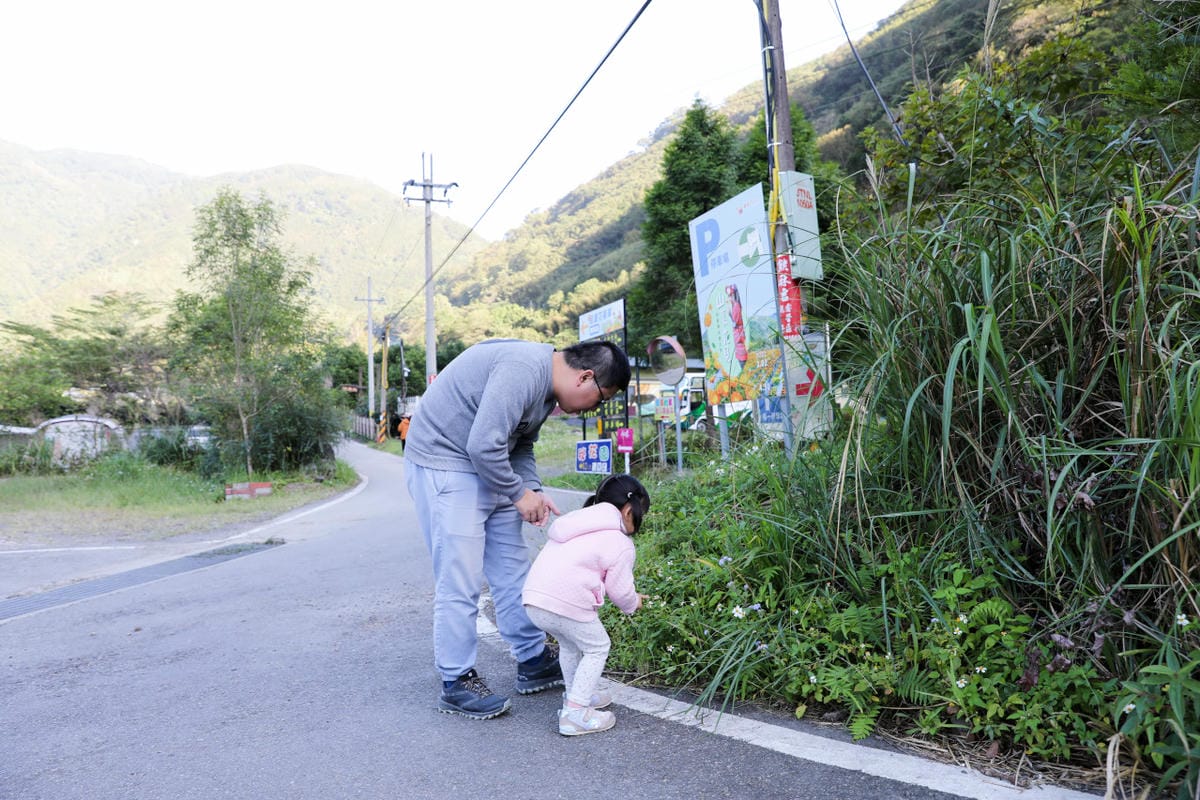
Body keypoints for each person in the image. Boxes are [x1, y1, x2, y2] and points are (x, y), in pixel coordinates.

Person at [404, 338, 631, 719]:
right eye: (601, 398)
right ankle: (456, 680)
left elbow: (520, 446)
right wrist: (516, 493)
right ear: (585, 377)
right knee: (461, 577)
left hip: (484, 462)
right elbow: (482, 445)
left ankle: (532, 659)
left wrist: (534, 491)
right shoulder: (523, 370)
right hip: (445, 459)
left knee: (512, 570)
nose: (596, 408)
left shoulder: (545, 391)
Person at [522, 473, 650, 736]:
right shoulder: (619, 542)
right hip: (566, 601)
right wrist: (633, 602)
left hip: (534, 599)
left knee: (570, 645)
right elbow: (620, 589)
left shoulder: (574, 524)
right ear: (628, 510)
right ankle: (576, 714)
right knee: (597, 647)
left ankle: (576, 695)